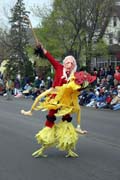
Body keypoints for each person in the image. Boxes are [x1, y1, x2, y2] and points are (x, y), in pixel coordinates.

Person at [21, 42, 95, 158]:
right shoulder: (59, 67)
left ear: (74, 64)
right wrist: (42, 49)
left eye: (72, 62)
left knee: (67, 121)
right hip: (54, 97)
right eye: (67, 62)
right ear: (64, 62)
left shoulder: (74, 75)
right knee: (50, 119)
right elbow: (50, 58)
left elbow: (78, 86)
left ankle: (71, 145)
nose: (69, 64)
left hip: (65, 100)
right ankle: (42, 147)